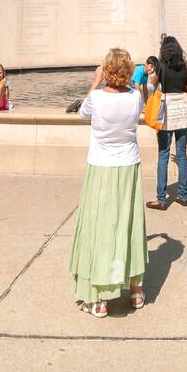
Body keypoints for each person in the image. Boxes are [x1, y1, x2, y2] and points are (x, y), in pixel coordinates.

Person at [69, 48, 148, 317]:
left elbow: (81, 113)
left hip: (101, 167)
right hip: (129, 166)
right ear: (127, 71)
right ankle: (135, 291)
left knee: (101, 227)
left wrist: (95, 81)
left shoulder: (97, 99)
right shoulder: (136, 97)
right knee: (129, 224)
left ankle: (100, 299)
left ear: (106, 70)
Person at [148, 35, 187, 210]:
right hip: (182, 110)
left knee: (163, 155)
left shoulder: (161, 66)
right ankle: (183, 195)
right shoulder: (185, 65)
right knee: (181, 155)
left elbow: (155, 84)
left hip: (166, 112)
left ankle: (161, 199)